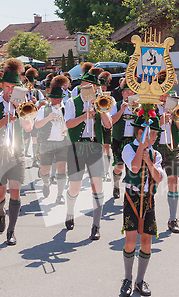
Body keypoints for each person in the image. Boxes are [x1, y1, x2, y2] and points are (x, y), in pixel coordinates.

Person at [0, 58, 34, 245]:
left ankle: (11, 231)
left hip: (17, 152)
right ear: (2, 86)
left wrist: (21, 112)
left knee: (15, 191)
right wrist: (6, 119)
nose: (11, 90)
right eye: (8, 86)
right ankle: (0, 212)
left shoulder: (23, 104)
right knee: (0, 193)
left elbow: (28, 128)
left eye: (14, 87)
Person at [120, 109, 164, 297]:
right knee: (130, 242)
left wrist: (150, 162)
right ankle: (127, 278)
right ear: (141, 133)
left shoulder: (156, 154)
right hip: (132, 197)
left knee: (146, 243)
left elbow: (159, 178)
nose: (154, 137)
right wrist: (141, 150)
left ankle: (140, 280)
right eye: (152, 133)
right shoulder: (129, 148)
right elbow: (135, 167)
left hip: (148, 200)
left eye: (156, 134)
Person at [64, 66, 112, 240]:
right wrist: (85, 116)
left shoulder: (101, 101)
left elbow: (108, 125)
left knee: (96, 185)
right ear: (82, 84)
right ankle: (70, 211)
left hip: (95, 146)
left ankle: (96, 225)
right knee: (75, 186)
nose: (90, 88)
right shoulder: (72, 101)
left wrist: (101, 109)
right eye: (87, 84)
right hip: (77, 146)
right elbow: (68, 124)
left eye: (94, 85)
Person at [155, 69, 179, 234]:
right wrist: (160, 120)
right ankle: (148, 219)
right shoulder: (150, 101)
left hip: (172, 147)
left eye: (170, 88)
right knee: (151, 185)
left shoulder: (175, 101)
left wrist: (176, 116)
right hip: (154, 147)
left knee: (173, 182)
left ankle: (172, 219)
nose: (166, 93)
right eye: (164, 89)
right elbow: (143, 127)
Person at [34, 75, 70, 204]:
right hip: (47, 142)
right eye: (54, 99)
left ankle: (60, 195)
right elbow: (37, 125)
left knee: (62, 169)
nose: (57, 101)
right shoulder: (44, 109)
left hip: (62, 143)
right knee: (45, 170)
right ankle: (46, 183)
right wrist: (48, 118)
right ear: (50, 98)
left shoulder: (66, 109)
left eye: (59, 99)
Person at [110, 78, 137, 199]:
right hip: (119, 139)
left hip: (133, 140)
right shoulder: (116, 105)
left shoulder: (139, 106)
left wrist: (139, 111)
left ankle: (130, 189)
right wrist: (121, 110)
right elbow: (111, 121)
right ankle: (116, 185)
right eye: (127, 92)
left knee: (132, 166)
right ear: (122, 93)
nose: (129, 94)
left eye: (132, 92)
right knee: (119, 166)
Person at [99, 71, 116, 182]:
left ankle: (106, 172)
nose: (103, 89)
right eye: (102, 87)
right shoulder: (94, 97)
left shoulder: (111, 99)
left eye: (105, 87)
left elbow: (112, 114)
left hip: (106, 125)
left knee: (106, 148)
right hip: (96, 124)